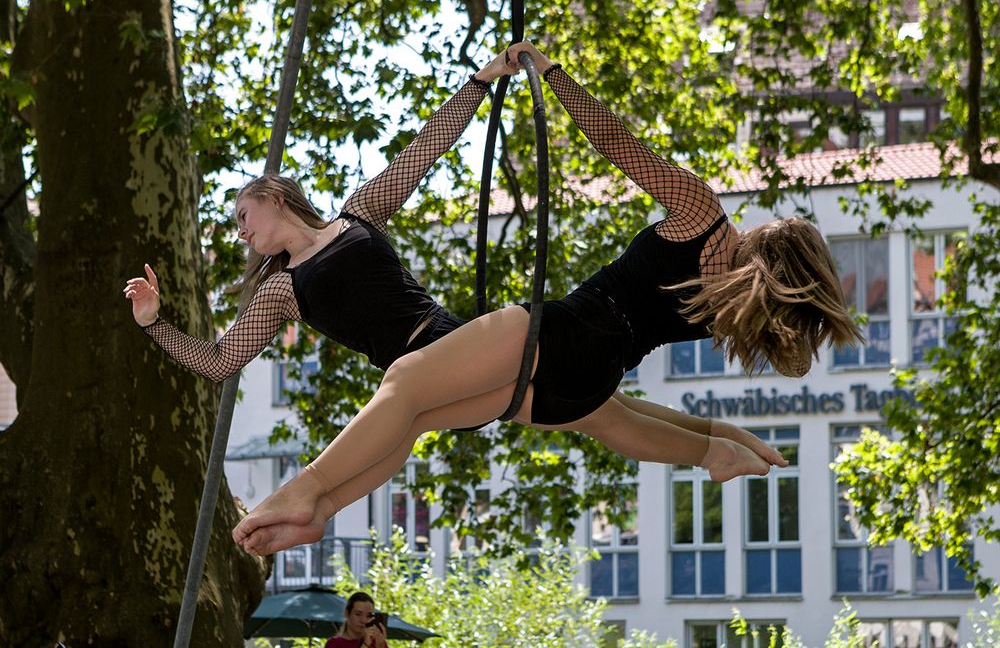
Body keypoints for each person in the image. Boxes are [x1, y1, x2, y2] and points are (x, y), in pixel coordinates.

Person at [124, 44, 791, 549]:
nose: (242, 229)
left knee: (426, 389)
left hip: (467, 351)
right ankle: (317, 508)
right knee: (430, 409)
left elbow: (424, 151)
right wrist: (155, 325)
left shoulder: (356, 215)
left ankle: (306, 491)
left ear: (275, 195)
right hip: (502, 370)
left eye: (244, 214)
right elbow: (219, 361)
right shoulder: (278, 293)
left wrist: (478, 85)